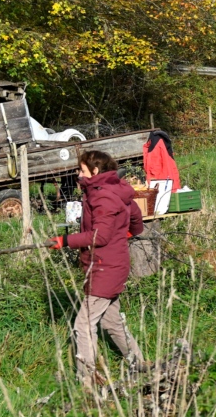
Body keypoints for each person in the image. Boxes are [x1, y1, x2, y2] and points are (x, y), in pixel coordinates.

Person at [48, 150, 145, 386]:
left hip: (105, 268)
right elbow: (136, 217)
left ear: (95, 171)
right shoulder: (115, 190)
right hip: (110, 265)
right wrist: (127, 233)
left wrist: (66, 241)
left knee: (83, 324)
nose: (78, 174)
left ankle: (87, 380)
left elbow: (99, 237)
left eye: (81, 170)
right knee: (111, 322)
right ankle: (140, 365)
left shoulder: (102, 196)